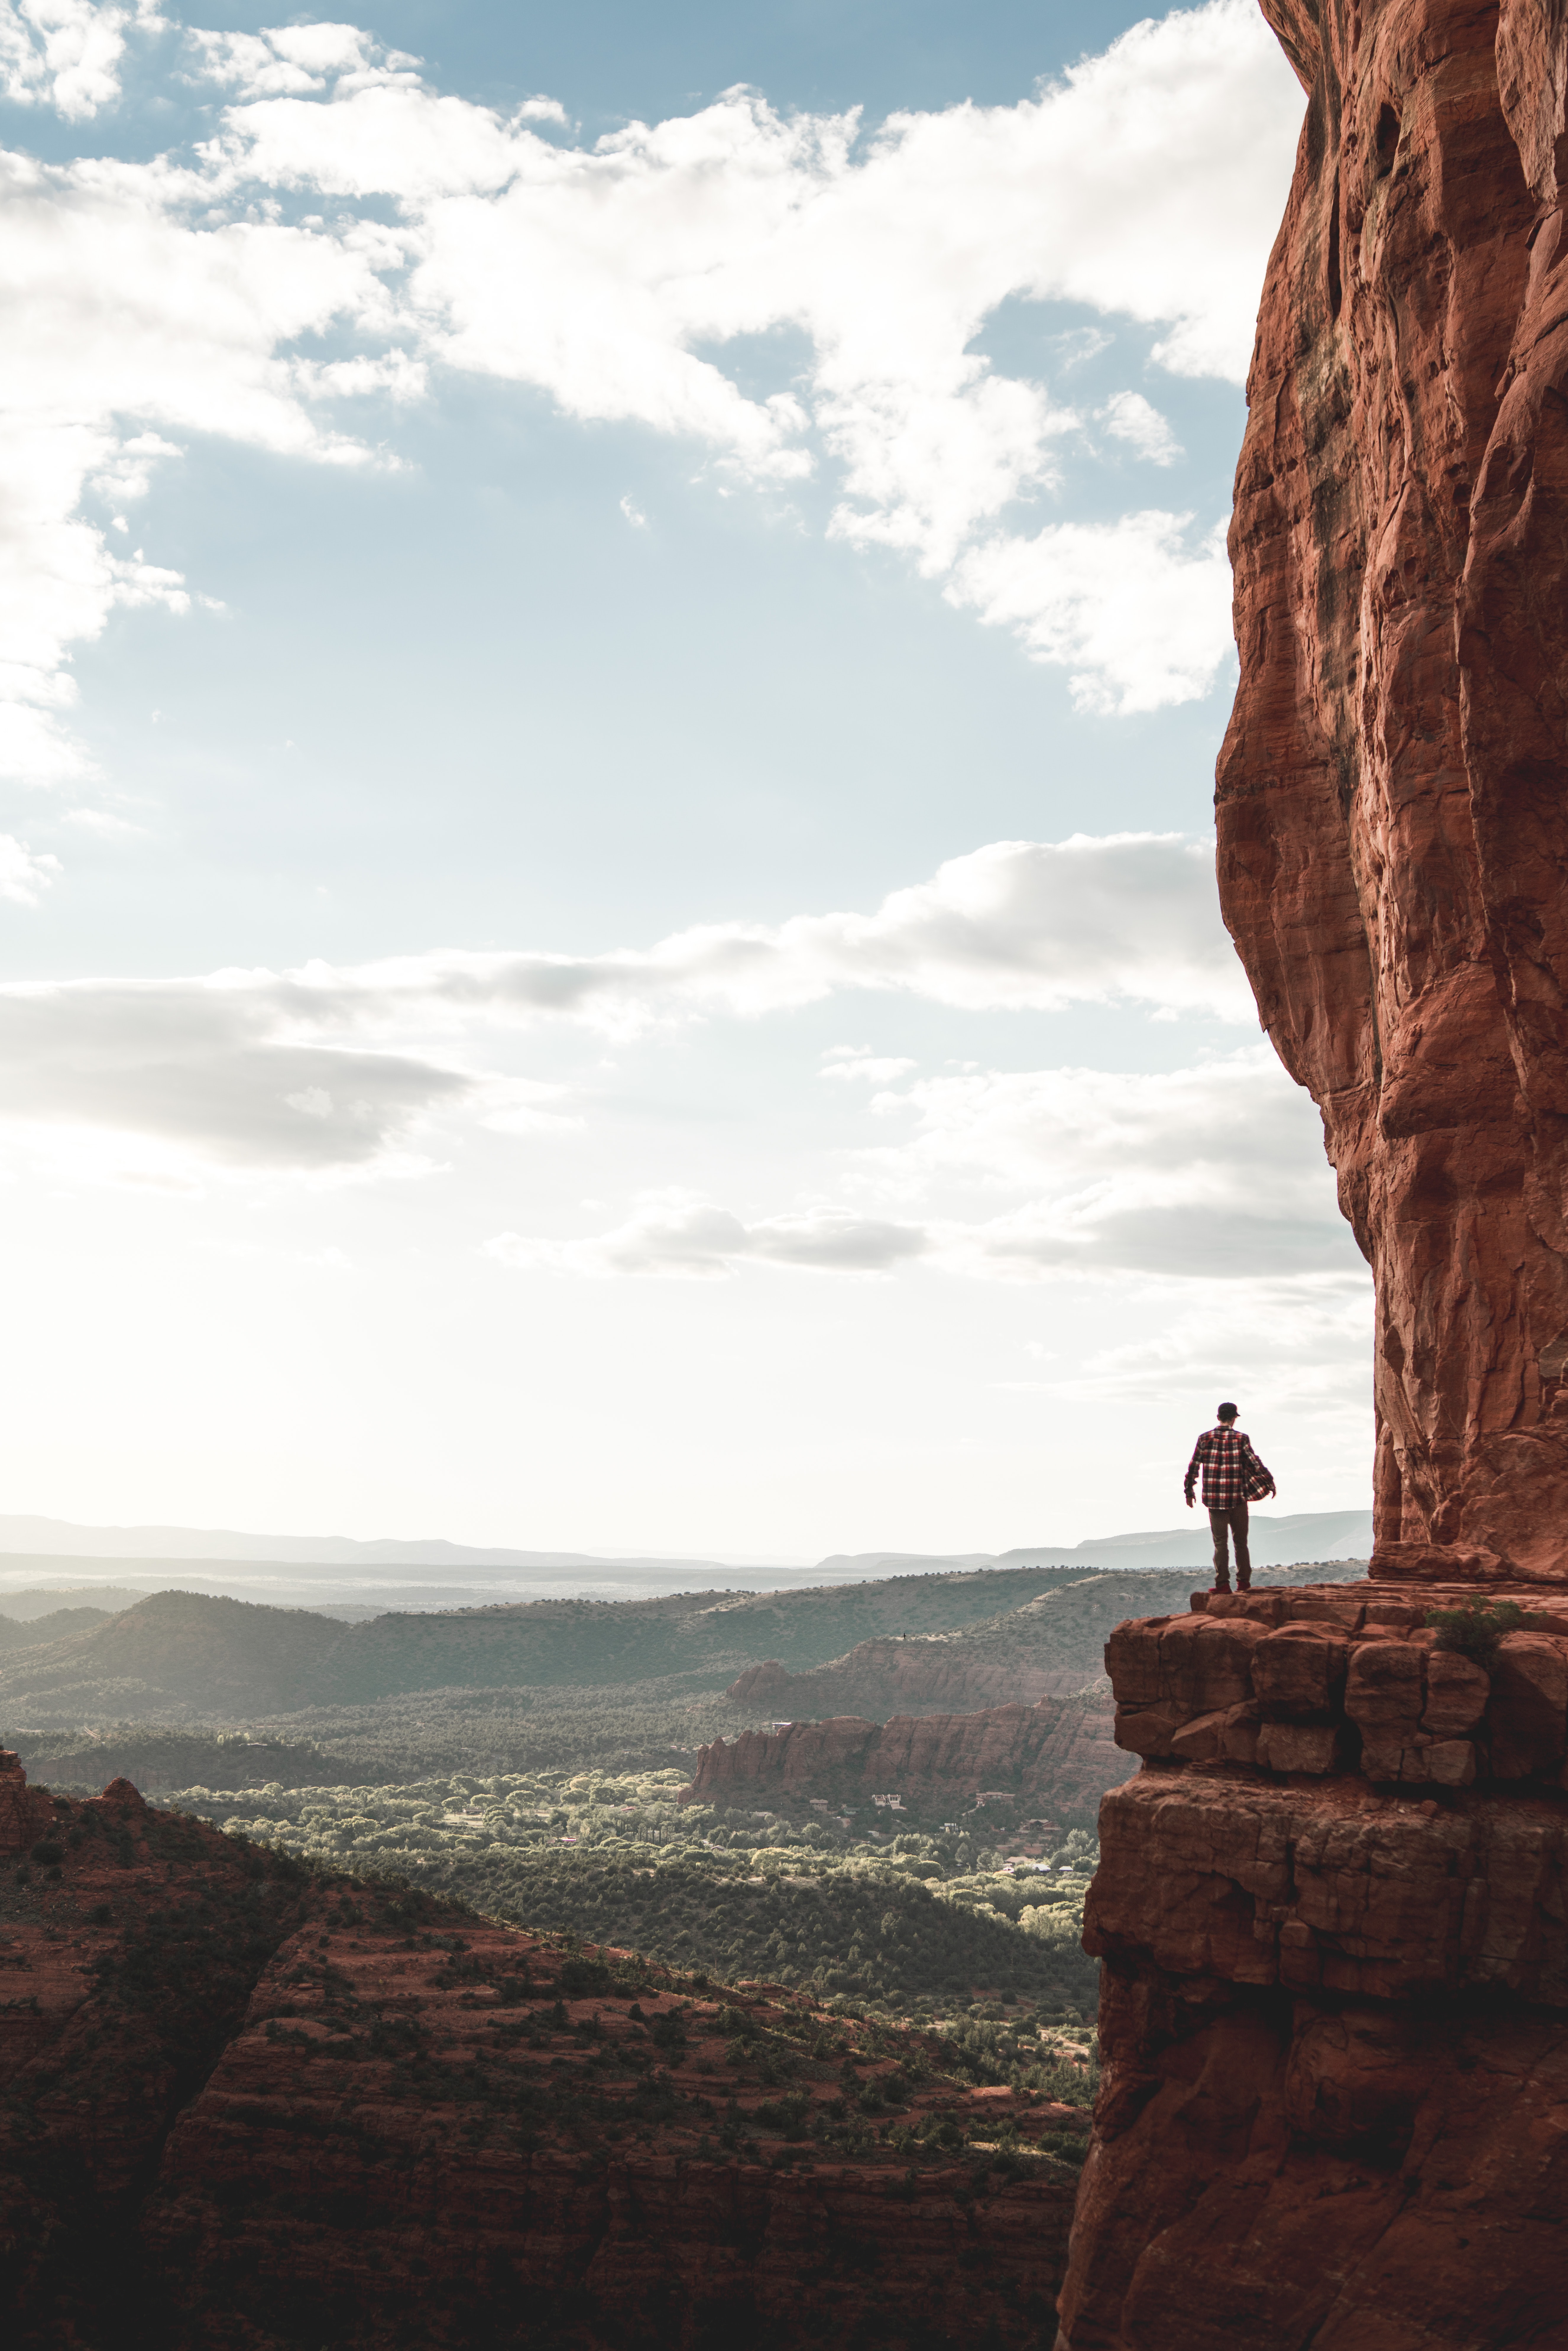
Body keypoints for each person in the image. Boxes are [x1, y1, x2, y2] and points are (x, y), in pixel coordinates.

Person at [1183, 1402, 1275, 1593]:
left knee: (1220, 1544)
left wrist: (1189, 1491)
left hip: (1214, 1500)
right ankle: (1244, 1584)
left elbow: (1194, 1466)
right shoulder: (1242, 1439)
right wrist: (1269, 1482)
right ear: (1234, 1418)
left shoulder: (1205, 1438)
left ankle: (1223, 1585)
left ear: (1219, 1418)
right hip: (1238, 1499)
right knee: (1241, 1543)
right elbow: (1255, 1464)